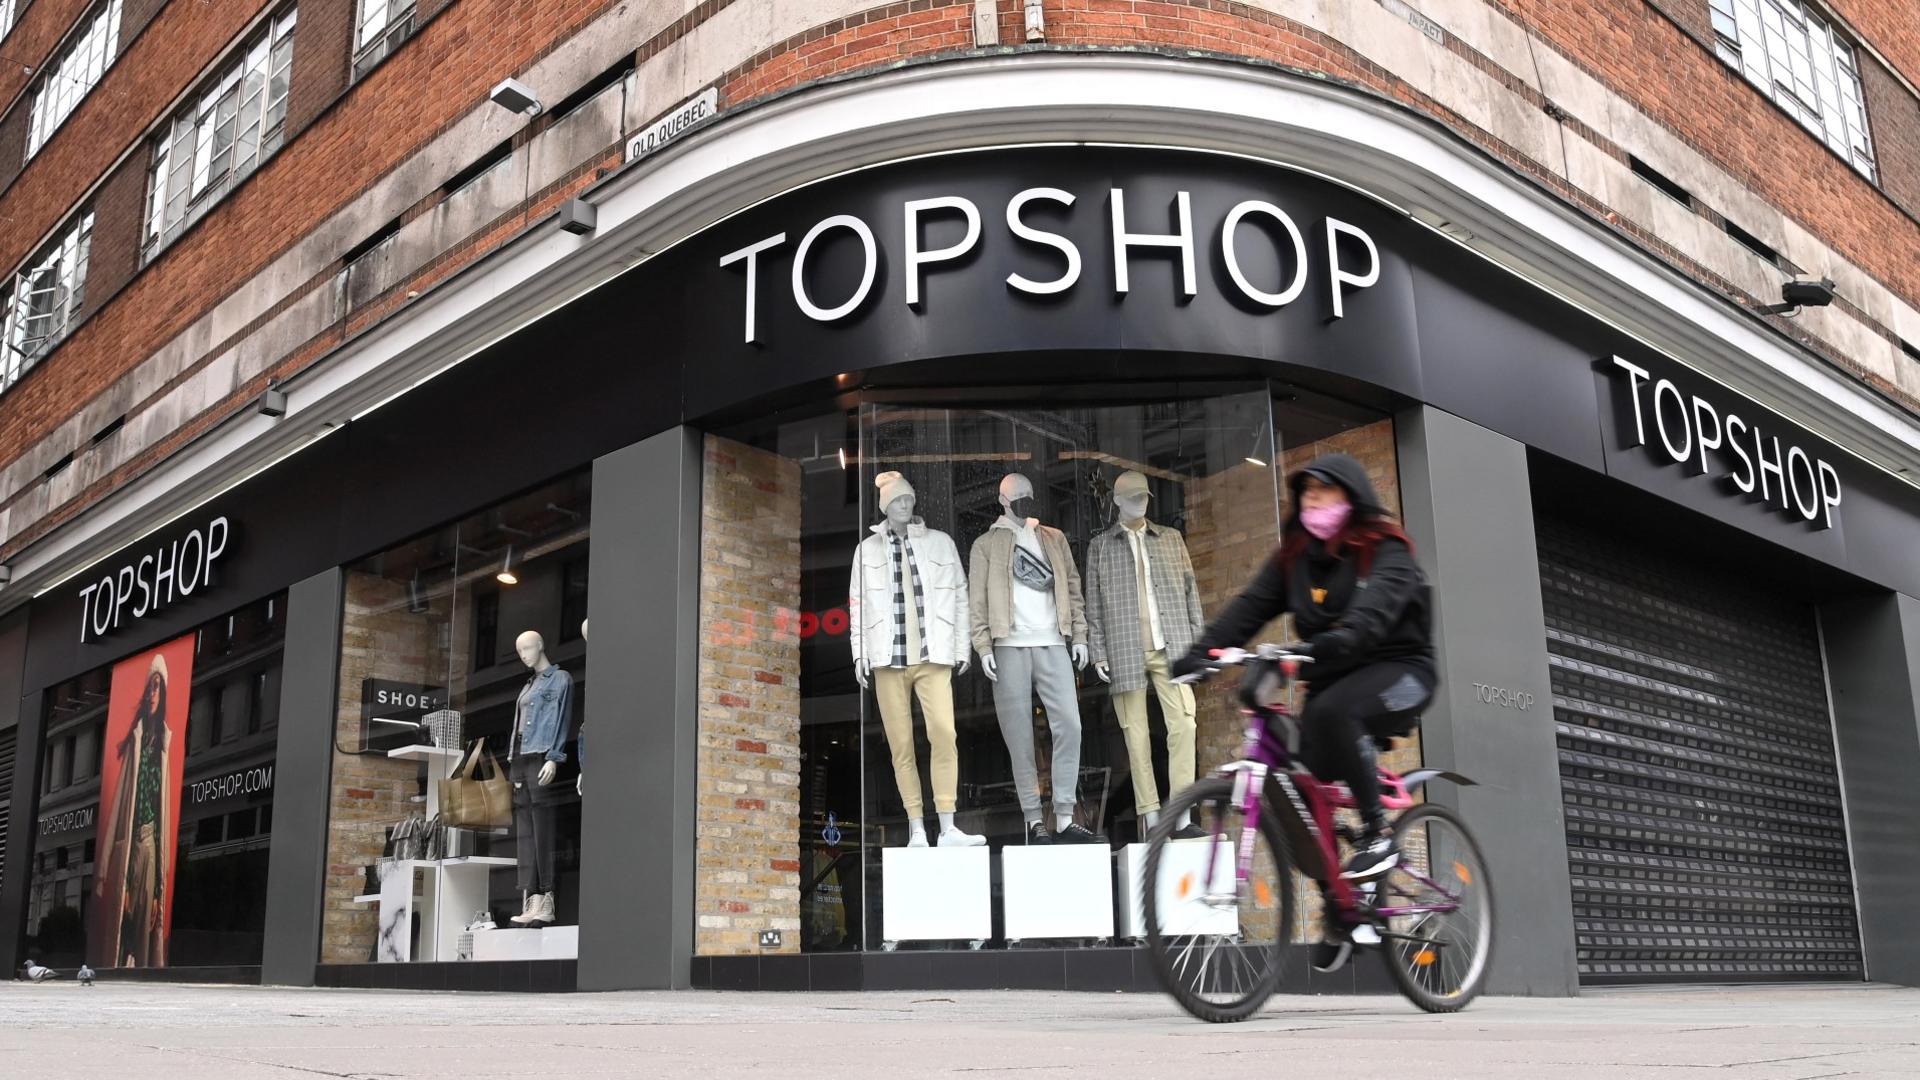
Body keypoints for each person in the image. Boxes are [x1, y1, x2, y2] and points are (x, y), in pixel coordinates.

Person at [1173, 452, 1435, 884]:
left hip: (1403, 671)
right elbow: (1249, 608)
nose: (1312, 499)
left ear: (1351, 496)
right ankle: (1342, 900)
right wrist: (1201, 653)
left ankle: (1377, 835)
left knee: (1335, 712)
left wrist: (1318, 644)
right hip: (1332, 681)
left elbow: (1370, 619)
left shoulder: (1385, 550)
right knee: (1298, 767)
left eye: (1323, 489)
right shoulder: (1295, 559)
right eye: (1306, 491)